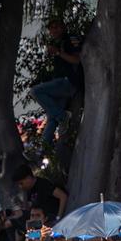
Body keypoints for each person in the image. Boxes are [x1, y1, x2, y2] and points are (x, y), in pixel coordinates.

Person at [31, 18, 83, 146]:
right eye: (51, 28)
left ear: (63, 27)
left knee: (35, 91)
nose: (54, 30)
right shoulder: (56, 42)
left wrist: (59, 52)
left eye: (57, 27)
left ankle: (63, 117)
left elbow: (76, 60)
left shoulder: (70, 40)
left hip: (68, 82)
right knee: (52, 117)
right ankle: (42, 149)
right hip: (59, 84)